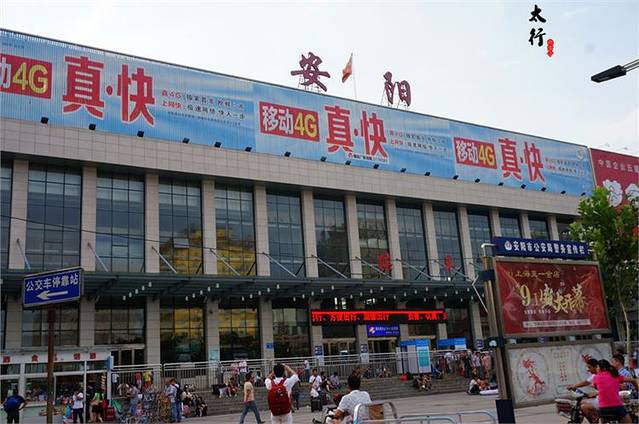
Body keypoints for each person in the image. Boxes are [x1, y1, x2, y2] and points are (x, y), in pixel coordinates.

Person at [592, 359, 638, 423]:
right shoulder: (615, 375)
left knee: (602, 420)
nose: (596, 369)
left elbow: (596, 387)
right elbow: (633, 380)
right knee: (628, 422)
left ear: (603, 368)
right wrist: (637, 388)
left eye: (597, 367)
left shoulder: (595, 377)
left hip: (603, 408)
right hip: (617, 407)